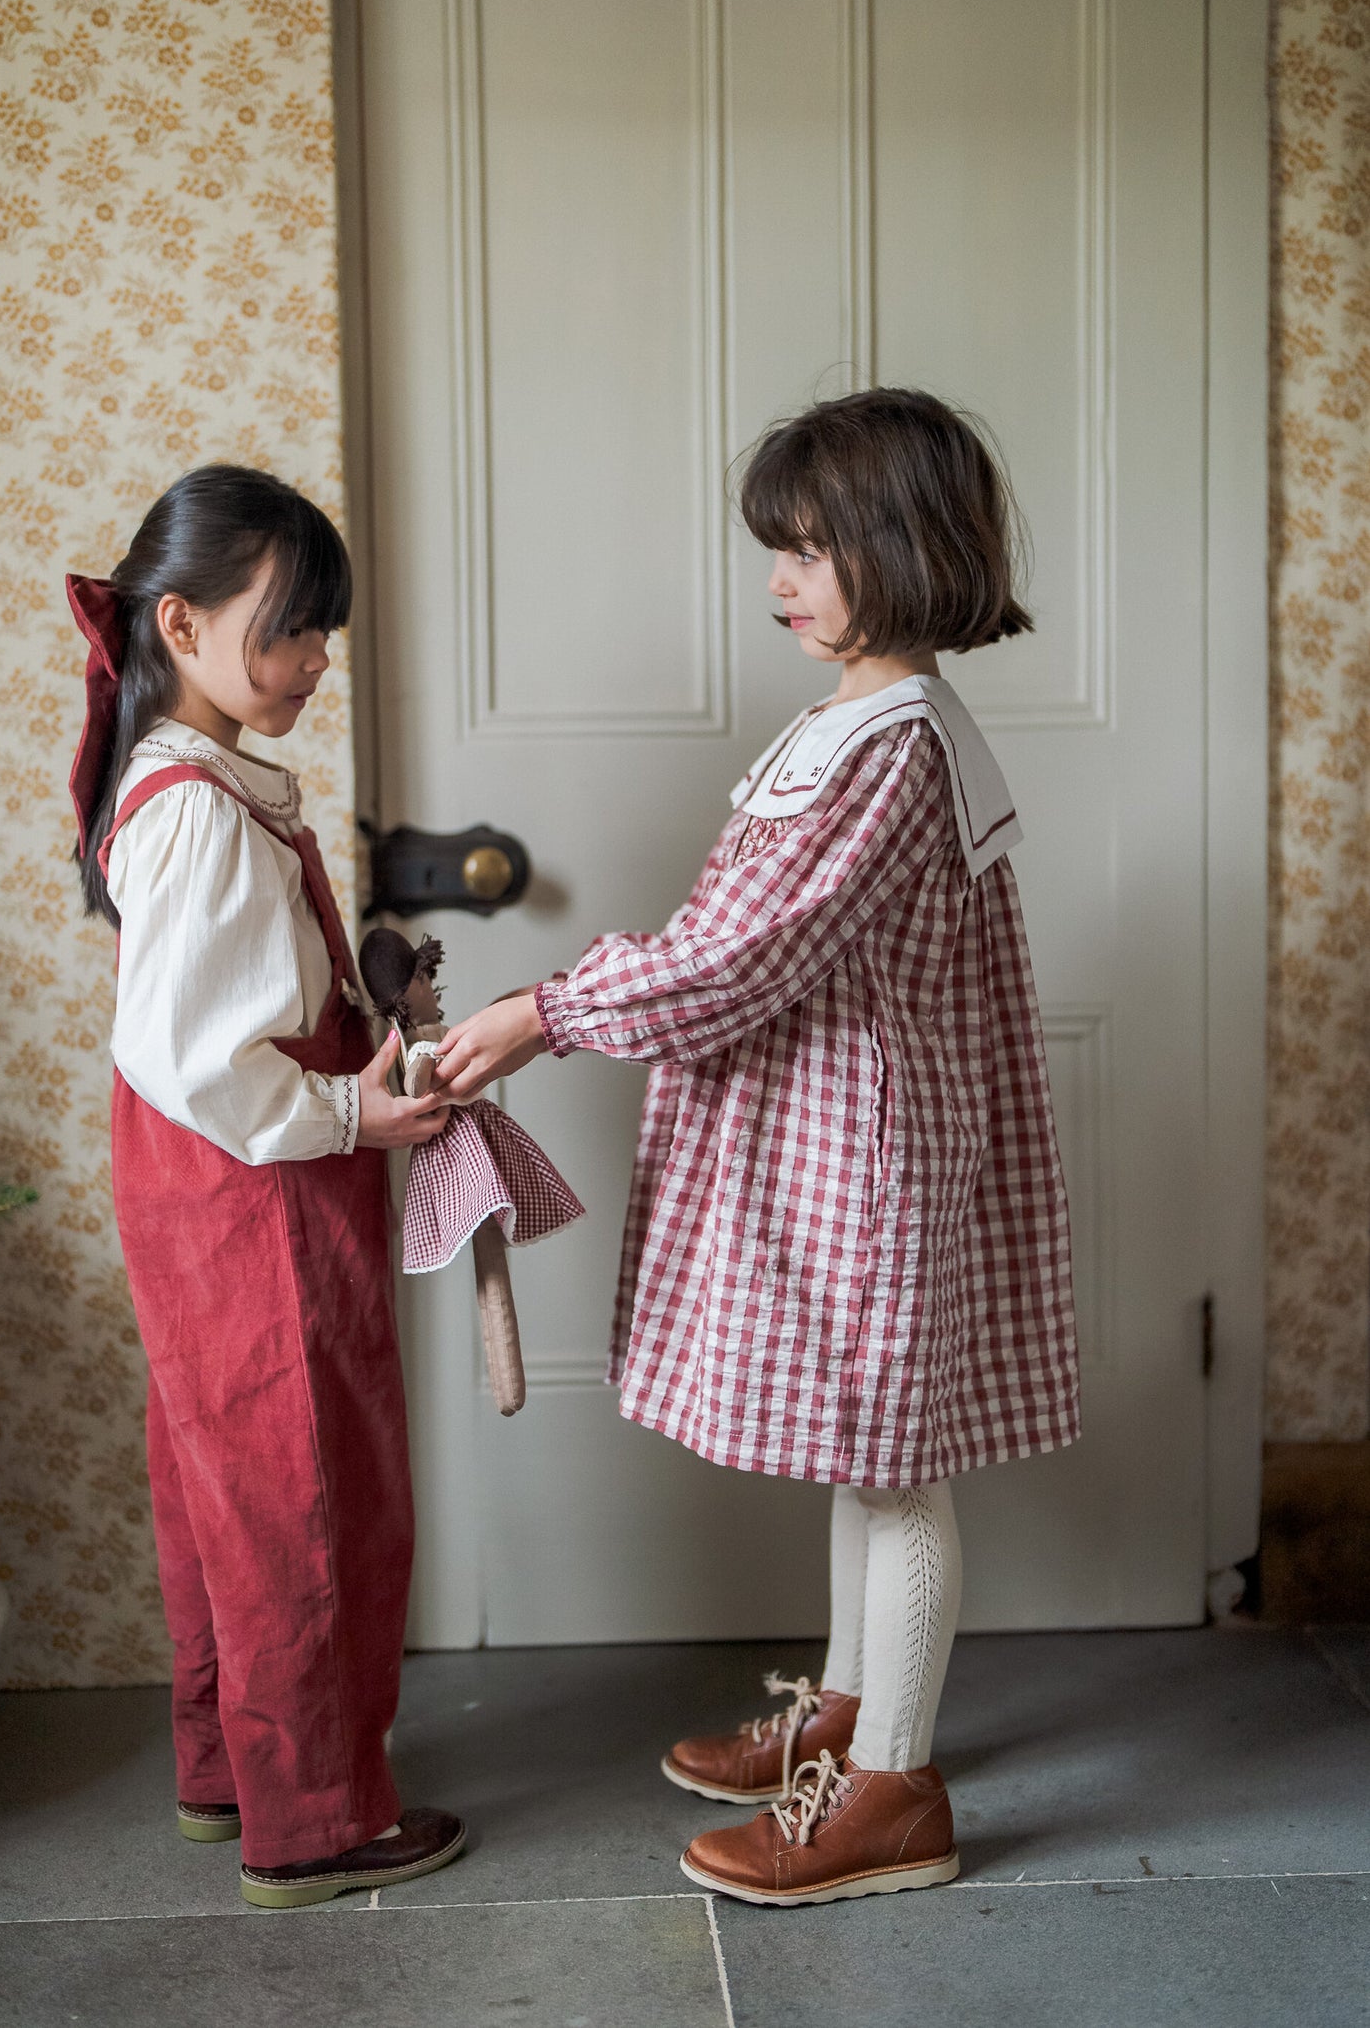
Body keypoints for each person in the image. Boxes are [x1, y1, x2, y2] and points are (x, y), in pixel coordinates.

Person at [431, 388, 1079, 1908]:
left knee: (892, 1468)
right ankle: (851, 1719)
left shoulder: (888, 744)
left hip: (865, 1160)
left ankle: (893, 1789)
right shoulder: (849, 722)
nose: (780, 580)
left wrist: (549, 1009)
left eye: (809, 549)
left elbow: (745, 955)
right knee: (865, 1451)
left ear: (904, 549)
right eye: (774, 549)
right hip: (839, 1144)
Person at [69, 464, 465, 1910]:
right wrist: (351, 1107)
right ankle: (312, 1822)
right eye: (289, 631)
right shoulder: (199, 810)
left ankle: (225, 1767)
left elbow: (211, 1014)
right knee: (307, 1491)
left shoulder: (196, 783)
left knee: (222, 1480)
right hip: (257, 1193)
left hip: (208, 1188)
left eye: (320, 636)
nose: (310, 663)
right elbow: (198, 1056)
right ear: (179, 626)